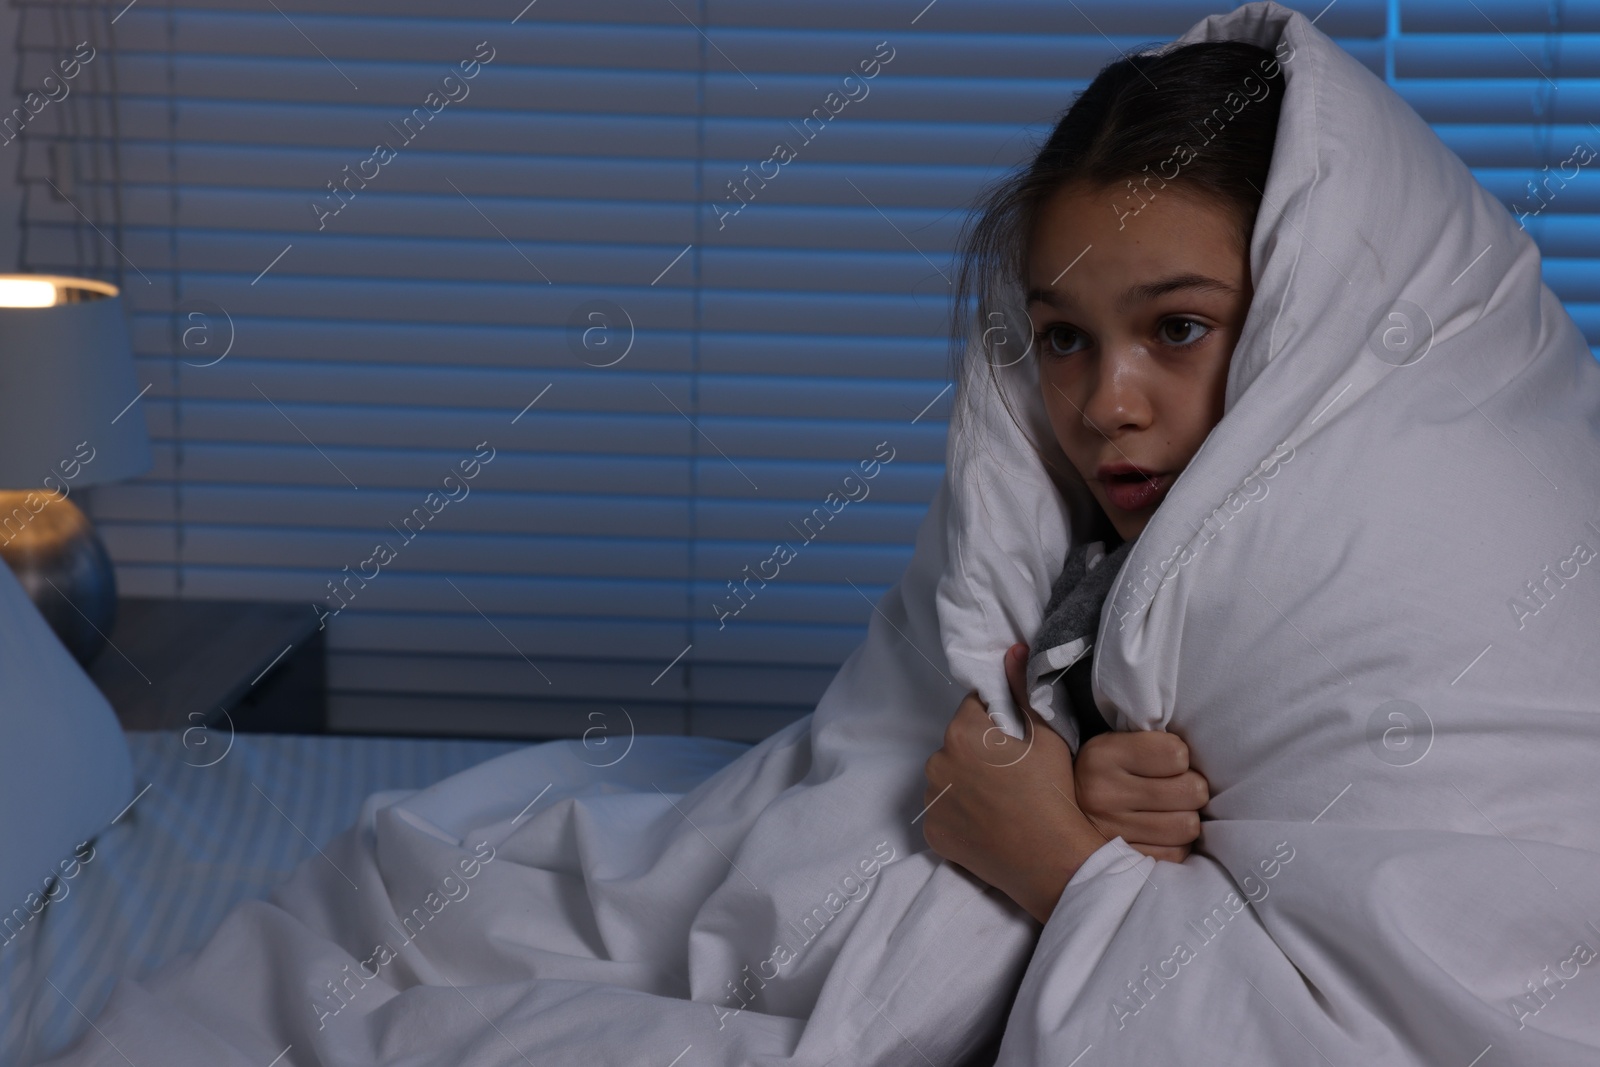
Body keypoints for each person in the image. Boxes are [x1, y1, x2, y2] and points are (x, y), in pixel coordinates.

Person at [922, 40, 1285, 926]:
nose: (1104, 408)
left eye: (1179, 326)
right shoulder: (1081, 572)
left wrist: (1054, 849)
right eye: (1065, 338)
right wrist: (1075, 759)